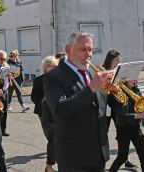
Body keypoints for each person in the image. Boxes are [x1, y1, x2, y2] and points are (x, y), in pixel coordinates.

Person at [44, 32, 114, 171]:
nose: (88, 54)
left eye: (90, 50)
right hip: (74, 157)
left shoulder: (89, 72)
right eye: (83, 49)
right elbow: (60, 109)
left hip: (98, 153)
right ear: (69, 50)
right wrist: (92, 87)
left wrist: (111, 92)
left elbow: (97, 107)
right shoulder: (54, 76)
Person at [102, 49, 137, 169]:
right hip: (106, 106)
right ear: (110, 60)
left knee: (121, 132)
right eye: (116, 59)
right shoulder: (103, 71)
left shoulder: (119, 70)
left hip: (117, 106)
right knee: (103, 132)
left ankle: (125, 159)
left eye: (119, 59)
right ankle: (101, 160)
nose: (119, 61)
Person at [108, 79, 144, 172]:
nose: (136, 80)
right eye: (133, 78)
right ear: (126, 80)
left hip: (136, 128)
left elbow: (140, 106)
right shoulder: (118, 92)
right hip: (123, 129)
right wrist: (140, 115)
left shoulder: (136, 89)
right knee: (122, 157)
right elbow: (122, 115)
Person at [32, 56, 59, 172]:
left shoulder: (58, 79)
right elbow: (34, 97)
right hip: (44, 113)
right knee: (52, 138)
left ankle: (52, 163)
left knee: (57, 138)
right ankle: (49, 165)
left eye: (55, 66)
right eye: (51, 66)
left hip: (58, 112)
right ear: (45, 68)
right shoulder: (39, 80)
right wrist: (44, 105)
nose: (54, 68)